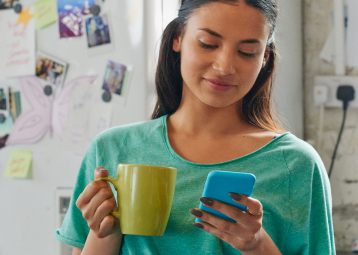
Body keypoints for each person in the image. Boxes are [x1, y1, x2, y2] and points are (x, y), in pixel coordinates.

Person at [55, 0, 335, 254]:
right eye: (208, 44)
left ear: (264, 58)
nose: (225, 66)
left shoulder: (296, 165)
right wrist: (105, 232)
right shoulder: (113, 148)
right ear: (178, 38)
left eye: (247, 52)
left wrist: (256, 245)